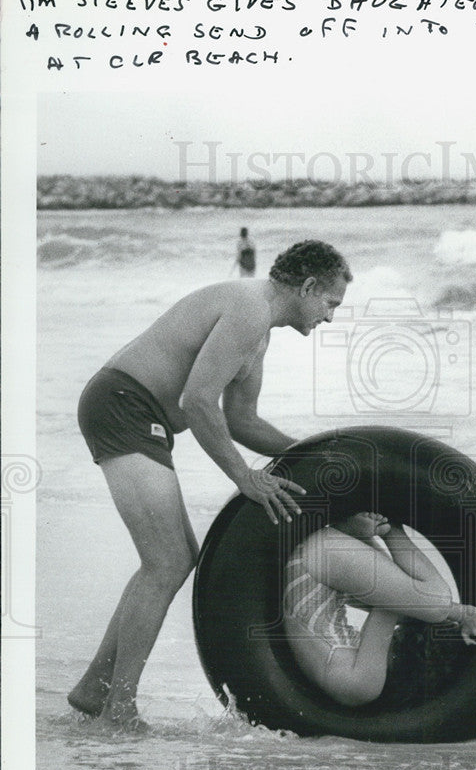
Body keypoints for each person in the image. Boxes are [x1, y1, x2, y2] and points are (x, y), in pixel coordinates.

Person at [69, 240, 352, 730]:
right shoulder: (247, 311)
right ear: (308, 287)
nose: (330, 317)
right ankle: (119, 709)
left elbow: (241, 420)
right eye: (330, 303)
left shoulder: (259, 331)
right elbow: (198, 401)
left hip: (142, 415)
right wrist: (245, 478)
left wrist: (314, 455)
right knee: (165, 563)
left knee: (177, 559)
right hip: (122, 405)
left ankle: (96, 687)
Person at [283, 511, 476, 707]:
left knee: (436, 603)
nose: (397, 633)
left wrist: (460, 614)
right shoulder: (361, 690)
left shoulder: (367, 684)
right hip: (315, 570)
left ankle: (393, 527)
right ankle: (358, 532)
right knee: (422, 604)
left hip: (314, 563)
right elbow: (396, 600)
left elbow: (390, 605)